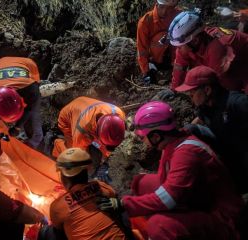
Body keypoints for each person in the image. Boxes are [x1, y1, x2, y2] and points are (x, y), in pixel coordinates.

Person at [97, 101, 243, 239]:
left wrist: (124, 204)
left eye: (143, 138)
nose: (143, 141)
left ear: (155, 136)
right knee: (140, 183)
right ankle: (144, 228)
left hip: (223, 218)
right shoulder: (174, 142)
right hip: (200, 197)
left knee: (159, 225)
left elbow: (168, 199)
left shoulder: (186, 154)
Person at [175, 65, 248, 193]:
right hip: (226, 147)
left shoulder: (237, 103)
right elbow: (197, 122)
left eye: (192, 93)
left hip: (243, 149)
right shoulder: (205, 106)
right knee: (190, 129)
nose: (190, 97)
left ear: (207, 90)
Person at [44, 147, 131, 240]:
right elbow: (113, 195)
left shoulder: (57, 208)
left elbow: (58, 229)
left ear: (63, 177)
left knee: (47, 233)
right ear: (86, 171)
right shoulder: (102, 187)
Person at [168, 11, 248, 93]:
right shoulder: (189, 43)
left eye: (179, 46)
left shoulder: (217, 48)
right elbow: (179, 67)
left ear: (195, 40)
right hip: (231, 64)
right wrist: (174, 89)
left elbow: (222, 84)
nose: (177, 49)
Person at [0, 57, 43, 149]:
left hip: (29, 64)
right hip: (2, 61)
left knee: (34, 110)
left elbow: (29, 109)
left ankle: (36, 139)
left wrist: (18, 127)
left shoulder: (31, 90)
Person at [52, 96, 126, 160]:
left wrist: (107, 155)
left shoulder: (119, 113)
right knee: (73, 155)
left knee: (107, 152)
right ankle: (57, 144)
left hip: (84, 103)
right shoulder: (81, 131)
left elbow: (110, 137)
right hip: (67, 118)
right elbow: (77, 153)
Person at [137, 0, 181, 84]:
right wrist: (146, 72)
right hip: (155, 59)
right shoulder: (145, 22)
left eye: (169, 8)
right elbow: (142, 49)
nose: (164, 12)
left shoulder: (178, 16)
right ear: (156, 4)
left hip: (174, 56)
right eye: (162, 7)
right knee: (161, 37)